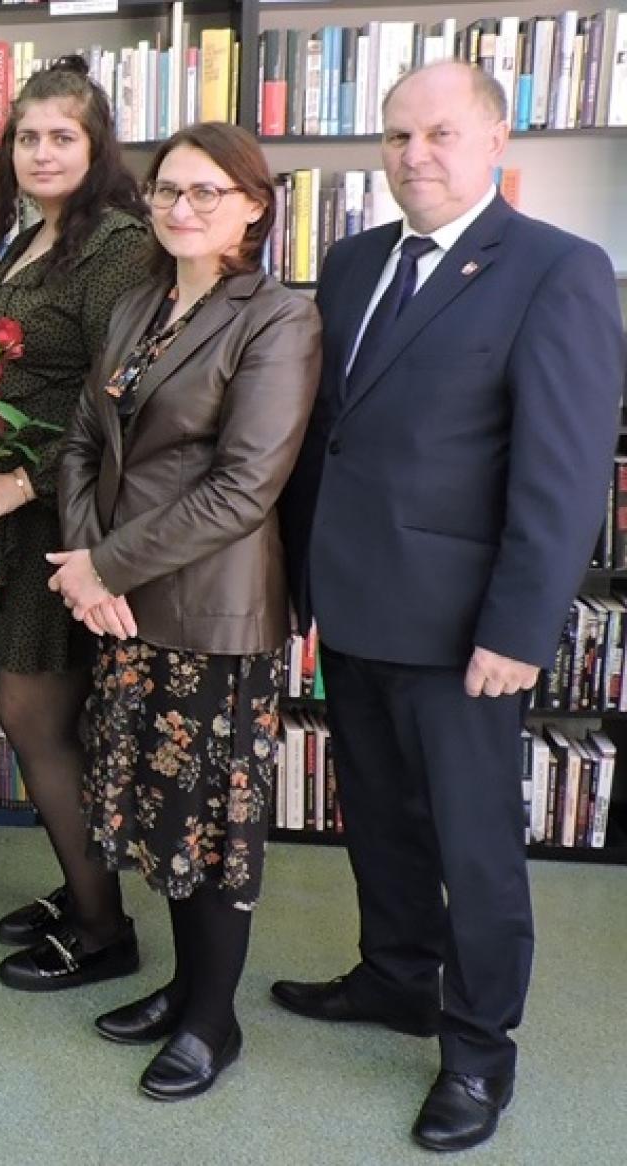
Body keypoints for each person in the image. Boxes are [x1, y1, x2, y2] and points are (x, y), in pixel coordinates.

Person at [275, 62, 626, 1153]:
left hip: (466, 629)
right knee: (376, 814)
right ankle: (395, 976)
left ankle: (479, 1051)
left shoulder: (559, 270)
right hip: (355, 603)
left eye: (437, 133)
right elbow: (329, 435)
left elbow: (562, 475)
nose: (413, 155)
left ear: (492, 138)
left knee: (474, 847)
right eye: (394, 137)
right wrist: (300, 584)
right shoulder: (349, 262)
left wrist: (519, 631)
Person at [55, 122, 320, 1100]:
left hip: (210, 610)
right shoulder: (136, 306)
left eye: (207, 192)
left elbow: (245, 485)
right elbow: (85, 436)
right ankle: (183, 988)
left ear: (253, 205)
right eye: (168, 189)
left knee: (212, 826)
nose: (181, 207)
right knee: (163, 813)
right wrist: (87, 561)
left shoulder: (279, 317)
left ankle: (215, 1020)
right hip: (124, 604)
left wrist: (104, 566)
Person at [0, 58, 154, 990]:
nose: (40, 151)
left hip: (54, 514)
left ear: (96, 145)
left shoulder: (117, 242)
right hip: (6, 515)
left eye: (61, 136)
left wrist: (21, 484)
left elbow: (116, 393)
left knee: (37, 720)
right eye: (27, 137)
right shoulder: (29, 238)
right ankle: (81, 890)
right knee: (38, 719)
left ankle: (106, 930)